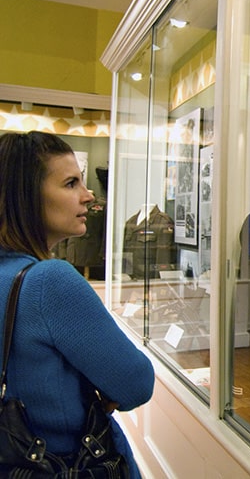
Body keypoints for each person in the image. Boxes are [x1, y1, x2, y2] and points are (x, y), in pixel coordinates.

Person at [0, 131, 155, 478]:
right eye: (70, 184)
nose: (88, 197)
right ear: (24, 196)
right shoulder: (49, 282)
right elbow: (135, 382)